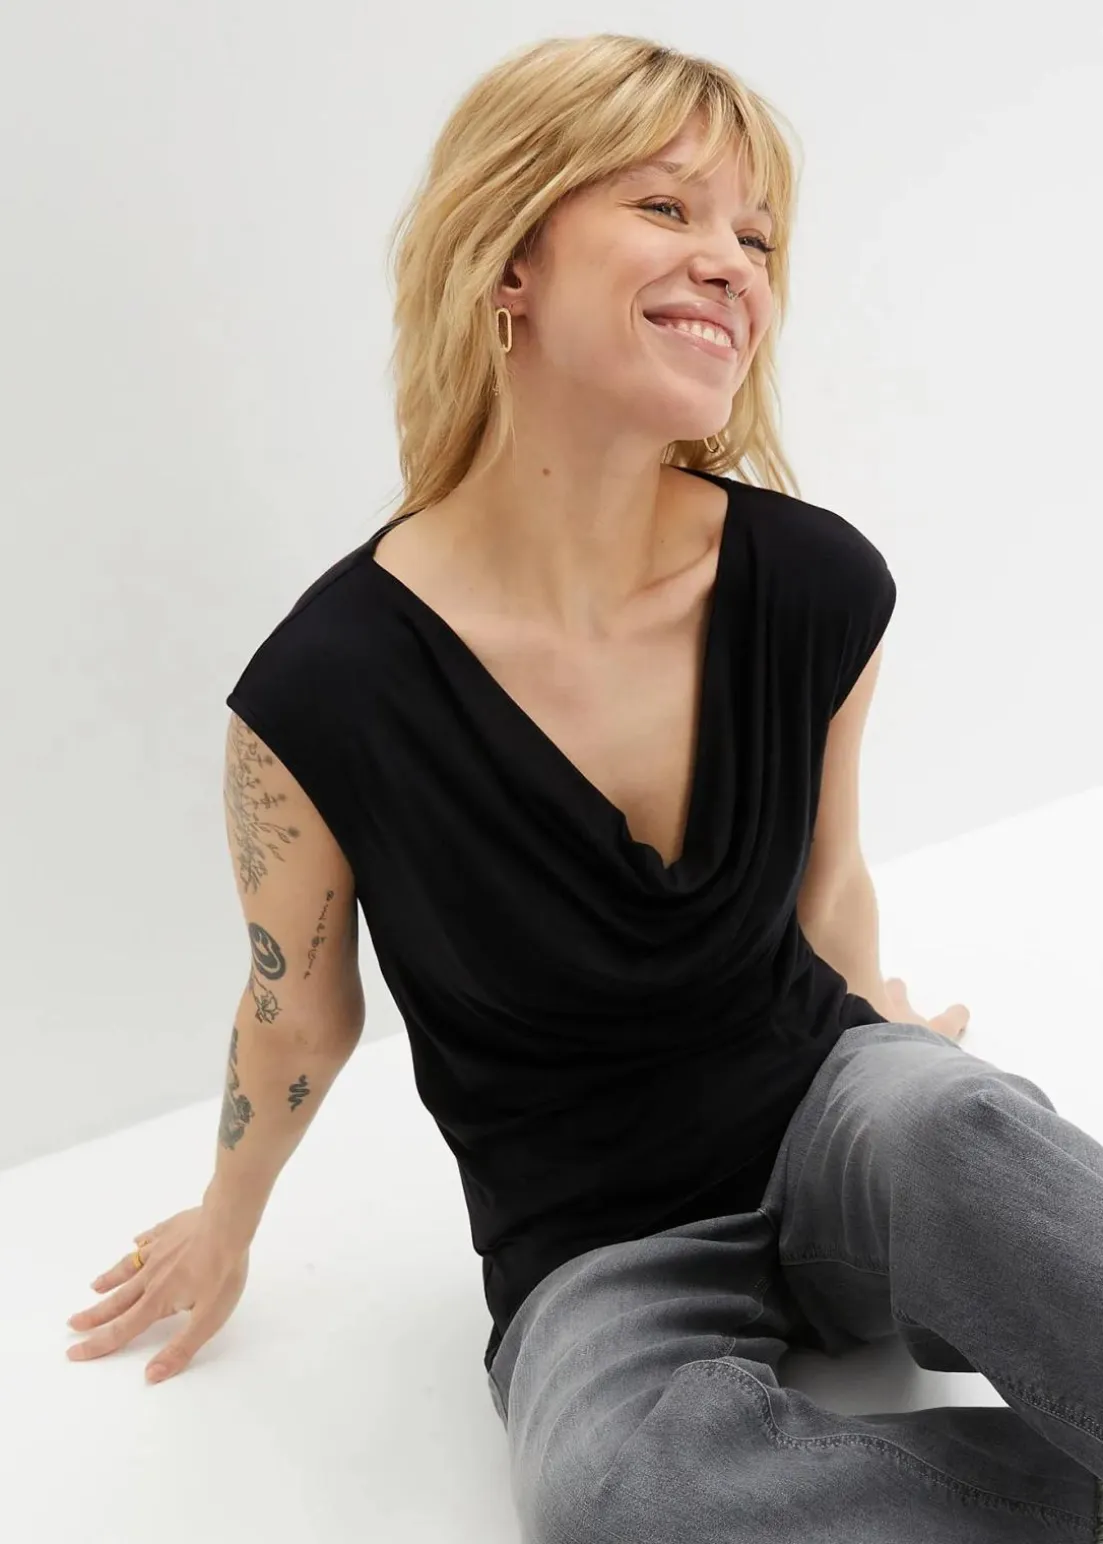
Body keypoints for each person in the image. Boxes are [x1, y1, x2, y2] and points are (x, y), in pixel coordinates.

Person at [69, 33, 1103, 1541]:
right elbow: (297, 1010)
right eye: (667, 207)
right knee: (620, 1494)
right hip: (596, 1252)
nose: (732, 262)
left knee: (956, 1129)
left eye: (756, 236)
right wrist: (224, 1228)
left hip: (831, 1115)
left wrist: (892, 1048)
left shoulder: (815, 583)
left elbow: (829, 882)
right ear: (508, 262)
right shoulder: (323, 691)